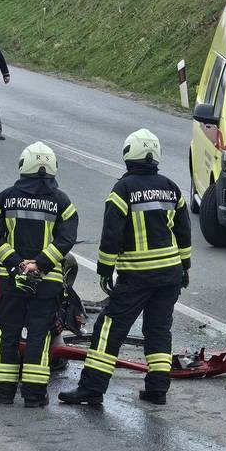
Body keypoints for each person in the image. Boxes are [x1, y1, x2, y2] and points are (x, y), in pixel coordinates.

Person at [59, 129, 192, 406]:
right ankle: (157, 390)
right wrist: (184, 267)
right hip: (169, 274)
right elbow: (183, 231)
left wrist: (105, 270)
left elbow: (112, 235)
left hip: (137, 276)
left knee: (109, 329)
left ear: (128, 155)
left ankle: (91, 389)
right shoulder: (171, 187)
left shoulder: (123, 190)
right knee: (158, 330)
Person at [0, 142, 78, 408]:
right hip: (47, 282)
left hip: (12, 280)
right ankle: (34, 395)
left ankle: (2, 390)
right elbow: (65, 240)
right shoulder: (63, 202)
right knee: (39, 335)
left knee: (7, 332)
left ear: (24, 166)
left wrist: (17, 265)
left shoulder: (4, 198)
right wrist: (41, 264)